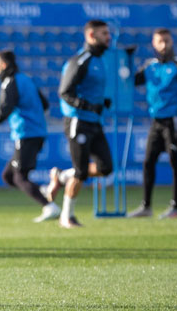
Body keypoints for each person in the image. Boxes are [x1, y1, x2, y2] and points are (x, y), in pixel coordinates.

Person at [0, 50, 61, 222]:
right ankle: (45, 191)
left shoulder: (10, 83)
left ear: (3, 65)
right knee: (8, 176)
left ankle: (49, 206)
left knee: (19, 176)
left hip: (26, 133)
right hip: (37, 132)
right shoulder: (26, 79)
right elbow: (45, 104)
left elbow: (2, 113)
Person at [46, 20, 114, 228]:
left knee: (105, 167)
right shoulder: (81, 60)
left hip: (94, 122)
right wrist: (88, 106)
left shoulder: (99, 60)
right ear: (91, 35)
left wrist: (101, 103)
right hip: (78, 121)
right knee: (81, 171)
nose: (108, 37)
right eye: (104, 33)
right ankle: (66, 217)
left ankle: (60, 175)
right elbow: (65, 92)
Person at [127, 28, 177, 219]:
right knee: (148, 162)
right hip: (155, 122)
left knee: (175, 162)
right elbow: (130, 80)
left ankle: (174, 207)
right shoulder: (150, 66)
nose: (164, 45)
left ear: (172, 42)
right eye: (160, 41)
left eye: (167, 41)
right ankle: (146, 206)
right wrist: (127, 60)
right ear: (154, 44)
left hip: (173, 122)